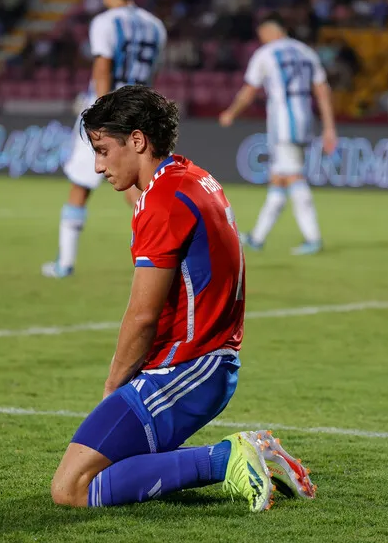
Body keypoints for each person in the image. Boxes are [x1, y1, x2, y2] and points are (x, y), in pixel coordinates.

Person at [50, 85, 316, 511]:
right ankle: (257, 455)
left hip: (186, 367)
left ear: (137, 140)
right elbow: (149, 206)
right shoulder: (187, 177)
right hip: (209, 363)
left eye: (103, 150)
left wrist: (113, 389)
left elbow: (142, 317)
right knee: (122, 466)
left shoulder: (164, 201)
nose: (98, 166)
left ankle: (229, 456)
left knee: (71, 489)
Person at [42, 0, 167, 279]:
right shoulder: (156, 26)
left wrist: (102, 111)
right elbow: (153, 71)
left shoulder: (105, 21)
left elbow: (102, 67)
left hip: (110, 108)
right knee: (137, 184)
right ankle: (164, 240)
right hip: (141, 107)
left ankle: (64, 264)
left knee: (81, 185)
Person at [219, 13, 337, 255]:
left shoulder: (266, 54)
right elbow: (323, 91)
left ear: (272, 33)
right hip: (304, 118)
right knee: (279, 178)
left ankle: (313, 238)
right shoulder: (306, 52)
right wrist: (328, 127)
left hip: (284, 122)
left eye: (263, 36)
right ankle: (257, 238)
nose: (262, 41)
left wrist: (231, 112)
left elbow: (249, 91)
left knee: (293, 176)